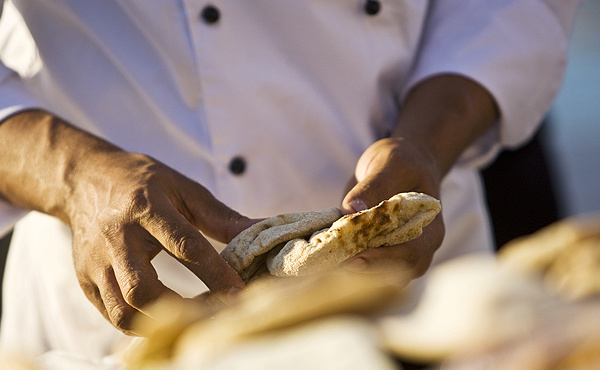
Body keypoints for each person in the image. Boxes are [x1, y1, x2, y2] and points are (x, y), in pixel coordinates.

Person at [0, 0, 580, 365]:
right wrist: (70, 174)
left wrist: (427, 144)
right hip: (108, 324)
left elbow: (509, 12)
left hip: (418, 300)